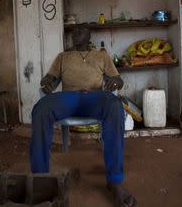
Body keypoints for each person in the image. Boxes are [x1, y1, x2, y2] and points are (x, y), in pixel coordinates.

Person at [30, 25, 136, 207]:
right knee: (40, 108)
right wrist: (47, 82)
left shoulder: (101, 55)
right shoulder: (63, 57)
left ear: (89, 36)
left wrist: (114, 82)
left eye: (81, 30)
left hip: (95, 97)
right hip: (68, 98)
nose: (76, 33)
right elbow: (50, 78)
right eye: (74, 31)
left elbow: (118, 79)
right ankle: (41, 179)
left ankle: (114, 181)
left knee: (115, 106)